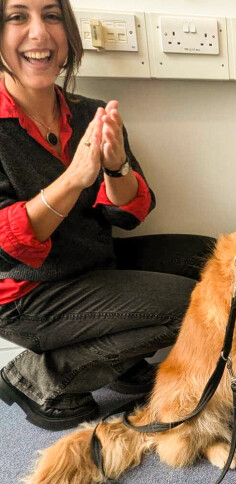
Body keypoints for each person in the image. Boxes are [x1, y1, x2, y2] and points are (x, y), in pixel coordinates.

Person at [0, 0, 214, 431]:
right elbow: (8, 248)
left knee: (219, 261)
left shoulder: (87, 112)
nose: (39, 33)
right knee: (192, 306)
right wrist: (75, 178)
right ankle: (40, 379)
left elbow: (129, 213)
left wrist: (116, 167)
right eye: (18, 16)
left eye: (52, 16)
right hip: (24, 295)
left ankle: (121, 357)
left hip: (92, 263)